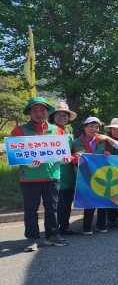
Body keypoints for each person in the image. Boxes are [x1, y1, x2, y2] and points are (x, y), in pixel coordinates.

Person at [12, 97, 70, 251]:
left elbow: (63, 151)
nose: (39, 113)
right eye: (35, 110)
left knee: (52, 208)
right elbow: (15, 154)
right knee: (31, 209)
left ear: (48, 112)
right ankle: (32, 238)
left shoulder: (57, 130)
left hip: (52, 176)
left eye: (42, 110)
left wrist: (65, 159)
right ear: (29, 112)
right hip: (29, 178)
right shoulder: (19, 130)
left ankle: (52, 235)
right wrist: (25, 162)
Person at [73, 117, 118, 234]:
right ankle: (86, 227)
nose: (94, 129)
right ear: (84, 127)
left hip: (102, 175)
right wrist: (76, 158)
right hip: (86, 176)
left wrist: (107, 153)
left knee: (102, 200)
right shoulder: (76, 142)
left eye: (97, 127)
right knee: (89, 202)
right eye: (91, 126)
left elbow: (108, 153)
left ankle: (100, 225)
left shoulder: (102, 140)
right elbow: (73, 160)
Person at [48, 102, 80, 235]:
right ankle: (53, 230)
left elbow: (71, 154)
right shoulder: (48, 132)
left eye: (65, 115)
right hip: (54, 173)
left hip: (68, 174)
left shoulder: (68, 134)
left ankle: (65, 227)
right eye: (59, 115)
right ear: (53, 117)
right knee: (56, 204)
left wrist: (77, 156)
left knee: (67, 203)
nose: (62, 117)